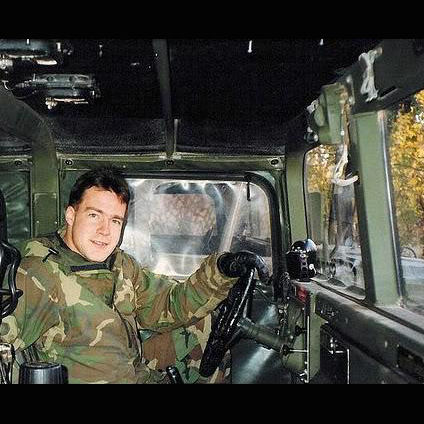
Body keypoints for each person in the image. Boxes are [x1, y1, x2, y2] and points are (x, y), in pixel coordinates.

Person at [0, 167, 269, 384]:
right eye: (94, 216)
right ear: (71, 215)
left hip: (134, 371)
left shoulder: (120, 265)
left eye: (115, 220)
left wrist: (221, 270)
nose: (105, 231)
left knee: (207, 327)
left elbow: (168, 304)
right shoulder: (38, 274)